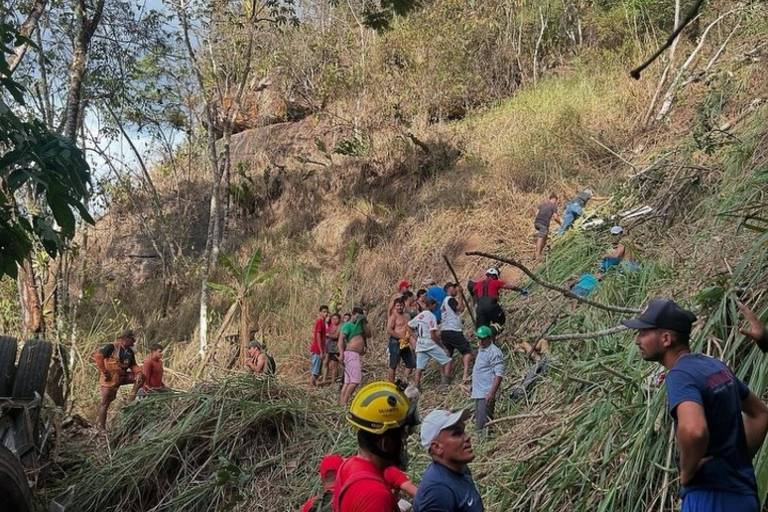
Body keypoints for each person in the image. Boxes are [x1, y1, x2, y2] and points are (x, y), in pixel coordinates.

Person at [623, 298, 768, 512]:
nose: (637, 340)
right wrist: (736, 459)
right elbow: (761, 414)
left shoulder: (680, 375)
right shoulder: (714, 366)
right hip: (743, 496)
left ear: (666, 339)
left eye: (644, 332)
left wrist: (687, 472)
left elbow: (694, 430)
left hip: (709, 498)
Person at [332, 381, 415, 512]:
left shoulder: (348, 464)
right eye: (402, 438)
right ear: (385, 443)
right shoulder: (375, 496)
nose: (403, 445)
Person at [413, 409, 483, 512]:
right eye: (457, 434)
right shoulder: (438, 490)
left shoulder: (460, 469)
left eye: (463, 431)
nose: (467, 437)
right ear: (437, 447)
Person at [93, 330, 144, 430]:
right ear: (126, 338)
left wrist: (138, 372)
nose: (133, 343)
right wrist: (104, 371)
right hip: (110, 379)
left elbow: (133, 365)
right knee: (105, 402)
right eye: (132, 340)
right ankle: (101, 428)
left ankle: (131, 398)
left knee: (142, 377)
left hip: (122, 377)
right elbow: (98, 357)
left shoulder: (129, 352)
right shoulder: (111, 347)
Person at [408, 297, 451, 387]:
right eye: (434, 304)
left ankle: (416, 386)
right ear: (430, 305)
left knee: (419, 368)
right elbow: (433, 335)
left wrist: (414, 336)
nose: (435, 306)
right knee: (447, 361)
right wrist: (442, 346)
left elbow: (409, 325)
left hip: (420, 343)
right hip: (429, 343)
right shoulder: (431, 317)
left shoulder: (421, 315)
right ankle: (445, 384)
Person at [470, 268, 525, 333]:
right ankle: (492, 332)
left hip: (480, 309)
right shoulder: (495, 282)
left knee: (482, 329)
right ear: (494, 276)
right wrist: (520, 290)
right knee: (500, 321)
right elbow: (509, 286)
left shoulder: (478, 284)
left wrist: (476, 308)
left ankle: (484, 339)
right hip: (492, 306)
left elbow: (474, 295)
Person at [471, 326, 504, 431]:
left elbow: (499, 374)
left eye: (483, 339)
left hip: (486, 393)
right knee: (480, 421)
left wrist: (491, 393)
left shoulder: (494, 352)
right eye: (479, 338)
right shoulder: (481, 349)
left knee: (483, 424)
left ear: (489, 338)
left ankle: (486, 441)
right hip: (478, 392)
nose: (480, 341)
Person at [440, 283, 473, 384]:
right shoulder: (450, 299)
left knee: (447, 356)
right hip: (453, 331)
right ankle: (465, 376)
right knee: (467, 352)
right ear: (450, 288)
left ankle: (445, 381)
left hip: (444, 332)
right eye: (455, 288)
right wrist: (459, 294)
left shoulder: (443, 303)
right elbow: (460, 308)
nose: (456, 290)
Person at [339, 307, 371, 405]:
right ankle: (345, 401)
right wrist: (341, 354)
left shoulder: (361, 326)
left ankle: (342, 403)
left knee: (348, 381)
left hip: (355, 355)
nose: (357, 318)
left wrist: (364, 321)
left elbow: (369, 335)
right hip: (351, 354)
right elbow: (340, 341)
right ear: (353, 315)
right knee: (355, 381)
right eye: (356, 316)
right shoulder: (348, 325)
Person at [387, 298, 416, 383]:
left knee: (410, 364)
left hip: (405, 342)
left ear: (404, 305)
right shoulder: (393, 316)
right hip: (395, 342)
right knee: (393, 365)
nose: (399, 307)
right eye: (398, 306)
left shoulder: (407, 316)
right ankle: (391, 384)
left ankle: (404, 382)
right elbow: (389, 330)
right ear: (395, 306)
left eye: (401, 305)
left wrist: (412, 338)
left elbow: (410, 328)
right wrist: (400, 336)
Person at [533, 193, 561, 260]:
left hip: (536, 223)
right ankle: (537, 255)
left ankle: (539, 253)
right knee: (541, 237)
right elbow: (555, 217)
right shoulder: (553, 206)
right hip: (543, 224)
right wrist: (561, 223)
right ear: (555, 199)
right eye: (556, 201)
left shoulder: (542, 204)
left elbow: (536, 213)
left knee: (545, 236)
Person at [310, 305, 329, 387]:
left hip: (319, 349)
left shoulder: (323, 323)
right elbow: (318, 336)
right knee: (315, 372)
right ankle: (311, 388)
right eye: (324, 312)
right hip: (317, 350)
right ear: (320, 313)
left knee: (317, 372)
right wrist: (321, 351)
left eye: (327, 312)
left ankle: (313, 387)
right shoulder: (320, 322)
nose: (326, 313)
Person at [323, 313, 342, 385]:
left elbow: (336, 336)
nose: (334, 320)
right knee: (325, 362)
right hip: (329, 346)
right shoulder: (332, 325)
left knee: (334, 365)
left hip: (335, 348)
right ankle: (324, 380)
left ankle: (333, 382)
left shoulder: (340, 326)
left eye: (336, 319)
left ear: (339, 319)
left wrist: (328, 335)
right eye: (333, 319)